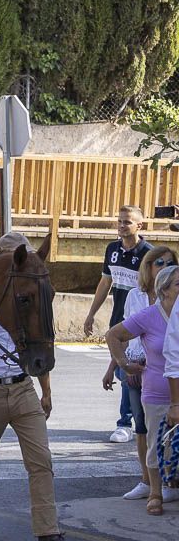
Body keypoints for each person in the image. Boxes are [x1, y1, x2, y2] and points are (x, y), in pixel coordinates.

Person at [0, 233, 80, 541]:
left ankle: (48, 534)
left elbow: (37, 346)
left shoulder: (27, 296)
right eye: (15, 256)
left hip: (24, 387)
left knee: (41, 462)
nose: (21, 262)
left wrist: (47, 391)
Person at [104, 245, 176, 500]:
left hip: (161, 373)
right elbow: (118, 333)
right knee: (143, 429)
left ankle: (169, 484)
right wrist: (118, 365)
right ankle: (149, 484)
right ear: (149, 267)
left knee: (167, 439)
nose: (165, 267)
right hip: (141, 371)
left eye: (170, 263)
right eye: (160, 263)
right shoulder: (137, 297)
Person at [85, 206, 153, 447]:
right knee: (121, 369)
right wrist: (91, 313)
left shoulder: (148, 254)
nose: (122, 225)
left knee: (127, 370)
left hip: (139, 321)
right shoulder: (112, 250)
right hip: (119, 320)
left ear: (139, 226)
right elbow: (106, 282)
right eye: (120, 221)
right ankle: (137, 416)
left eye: (127, 222)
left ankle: (125, 422)